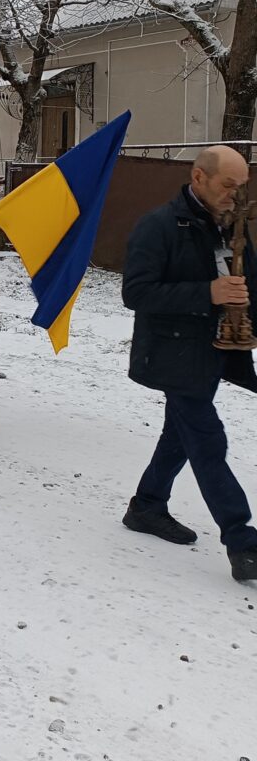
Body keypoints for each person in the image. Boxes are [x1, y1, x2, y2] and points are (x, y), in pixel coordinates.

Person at [121, 145, 257, 582]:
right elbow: (136, 294)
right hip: (172, 354)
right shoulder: (158, 226)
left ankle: (146, 506)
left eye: (243, 188)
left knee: (179, 435)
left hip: (216, 351)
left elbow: (248, 283)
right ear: (199, 178)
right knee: (206, 440)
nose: (235, 196)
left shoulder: (230, 225)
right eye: (228, 186)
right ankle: (242, 540)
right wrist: (208, 294)